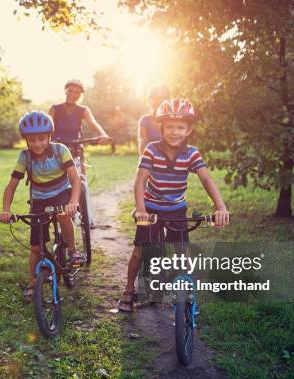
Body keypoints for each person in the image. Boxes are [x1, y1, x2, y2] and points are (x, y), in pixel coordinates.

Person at [118, 98, 230, 312]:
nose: (174, 131)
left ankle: (186, 291)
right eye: (170, 126)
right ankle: (129, 290)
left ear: (189, 130)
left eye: (180, 127)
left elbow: (206, 179)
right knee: (139, 252)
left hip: (176, 209)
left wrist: (220, 207)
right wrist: (141, 209)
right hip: (151, 208)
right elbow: (140, 180)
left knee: (181, 254)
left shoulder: (191, 153)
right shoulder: (151, 149)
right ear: (161, 127)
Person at [0, 111, 82, 301]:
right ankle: (32, 283)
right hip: (39, 200)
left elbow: (75, 180)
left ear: (49, 136)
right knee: (36, 246)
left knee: (62, 215)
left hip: (62, 193)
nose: (37, 144)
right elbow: (11, 186)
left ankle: (72, 251)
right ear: (26, 140)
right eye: (32, 140)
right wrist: (5, 209)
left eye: (42, 139)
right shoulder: (25, 157)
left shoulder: (60, 150)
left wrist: (73, 202)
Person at [49, 79, 110, 226]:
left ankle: (85, 215)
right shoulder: (55, 109)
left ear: (81, 94)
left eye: (77, 92)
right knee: (55, 180)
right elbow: (48, 127)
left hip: (75, 149)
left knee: (81, 179)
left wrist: (103, 134)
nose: (73, 94)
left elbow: (93, 124)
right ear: (65, 91)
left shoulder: (83, 110)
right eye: (70, 91)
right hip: (56, 149)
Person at [138, 84, 170, 156]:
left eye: (162, 98)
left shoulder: (171, 119)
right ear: (150, 100)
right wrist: (143, 161)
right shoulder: (145, 120)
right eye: (155, 98)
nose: (158, 101)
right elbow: (143, 141)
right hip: (152, 159)